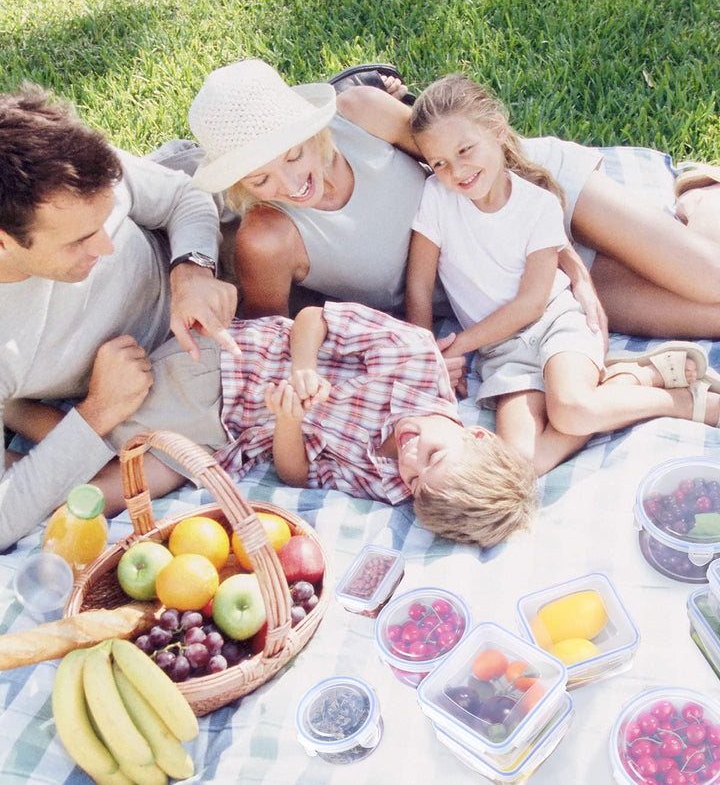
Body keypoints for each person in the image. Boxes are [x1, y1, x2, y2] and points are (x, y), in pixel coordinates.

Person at [185, 58, 720, 343]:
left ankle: (698, 195)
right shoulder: (267, 240)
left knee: (711, 279)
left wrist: (574, 266)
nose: (291, 182)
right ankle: (697, 207)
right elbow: (271, 343)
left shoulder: (358, 111)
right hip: (498, 275)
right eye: (260, 179)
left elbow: (470, 162)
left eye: (294, 154)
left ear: (311, 126)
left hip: (530, 186)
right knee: (711, 313)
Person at [404, 74, 720, 474]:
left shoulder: (537, 204)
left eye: (465, 149)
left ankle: (678, 397)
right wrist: (426, 355)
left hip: (554, 324)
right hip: (502, 353)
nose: (457, 171)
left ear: (498, 130)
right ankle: (628, 380)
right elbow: (418, 286)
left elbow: (532, 303)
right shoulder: (436, 197)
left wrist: (457, 346)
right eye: (440, 162)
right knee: (520, 463)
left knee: (572, 410)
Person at [0, 84, 238, 550]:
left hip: (211, 267)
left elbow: (183, 197)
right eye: (80, 241)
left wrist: (192, 269)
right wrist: (98, 411)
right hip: (158, 386)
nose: (106, 247)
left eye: (105, 222)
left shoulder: (72, 170)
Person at [105, 301, 539, 549]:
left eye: (415, 479)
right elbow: (313, 318)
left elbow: (298, 474)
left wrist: (288, 423)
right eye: (432, 455)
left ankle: (57, 422)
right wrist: (304, 371)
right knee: (108, 441)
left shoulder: (391, 486)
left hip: (229, 438)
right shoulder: (414, 357)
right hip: (228, 368)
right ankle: (49, 417)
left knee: (124, 486)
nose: (408, 459)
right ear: (475, 433)